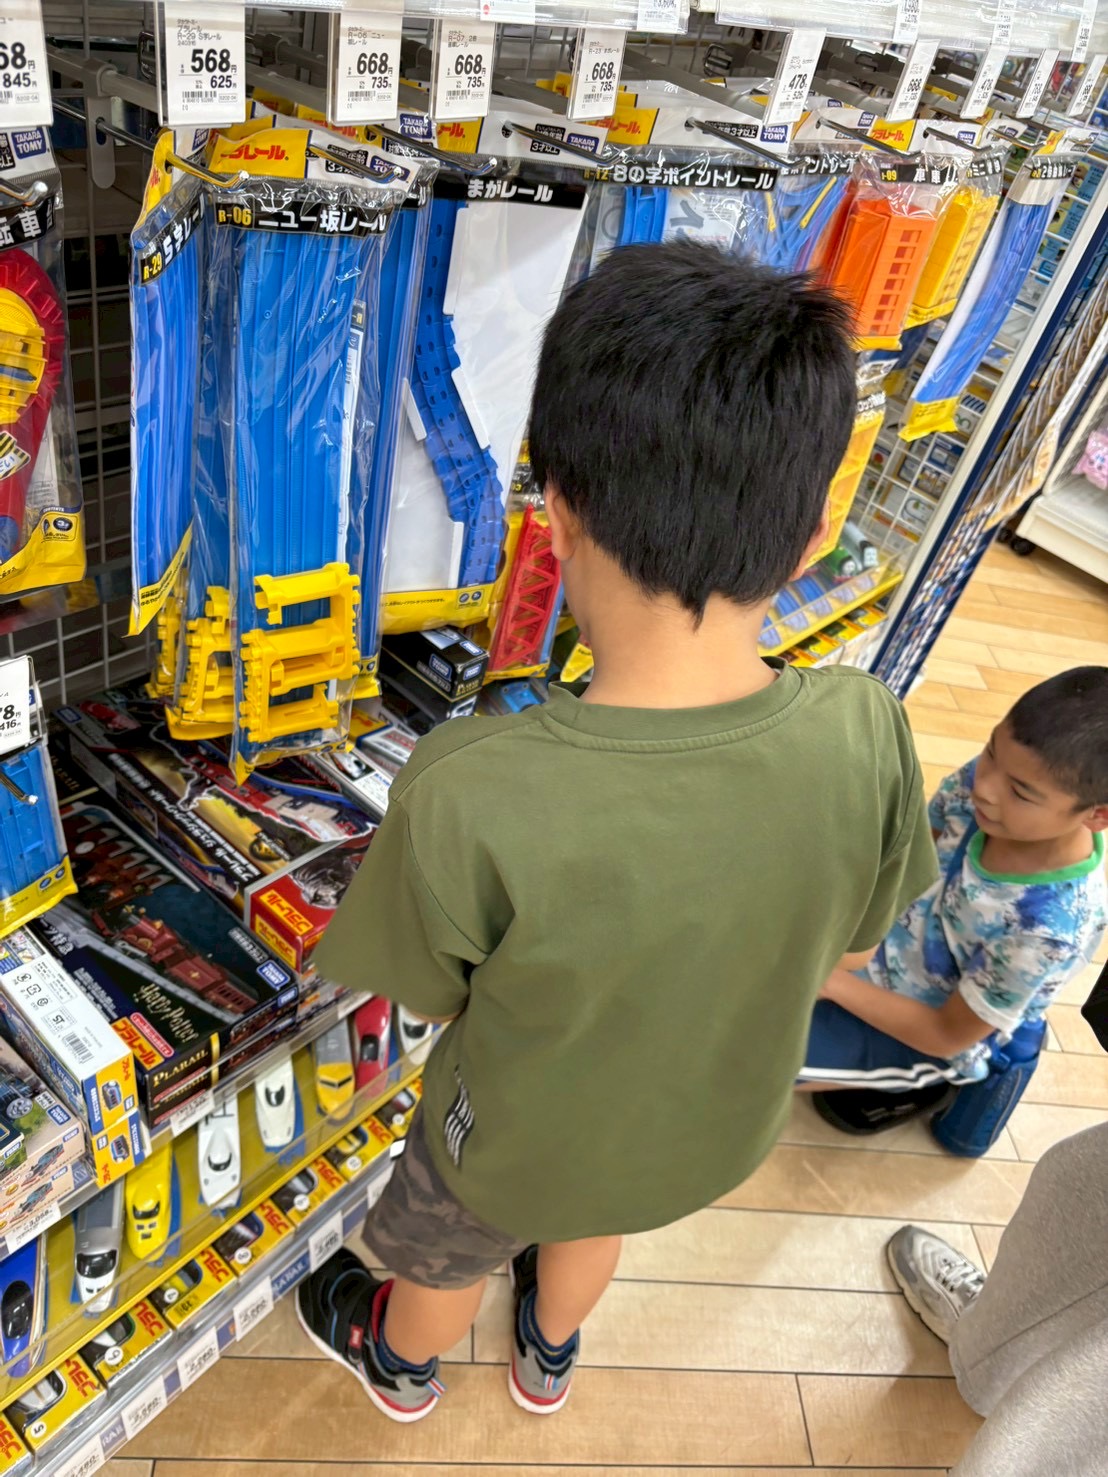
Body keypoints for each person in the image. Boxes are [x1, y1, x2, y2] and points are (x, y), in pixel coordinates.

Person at [298, 241, 938, 1424]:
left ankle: (399, 1364)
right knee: (590, 1227)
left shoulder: (475, 785)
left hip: (513, 1136)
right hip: (694, 1132)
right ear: (811, 537)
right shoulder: (868, 726)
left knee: (442, 1251)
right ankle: (547, 1353)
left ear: (556, 513)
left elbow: (428, 989)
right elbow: (852, 938)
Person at [797, 667, 1108, 1138]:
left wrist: (826, 978)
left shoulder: (1048, 929)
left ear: (1098, 815)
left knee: (746, 1060)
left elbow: (946, 1035)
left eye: (1020, 792)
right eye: (991, 751)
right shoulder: (987, 790)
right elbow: (908, 859)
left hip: (926, 1028)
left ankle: (917, 1087)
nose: (985, 786)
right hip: (881, 949)